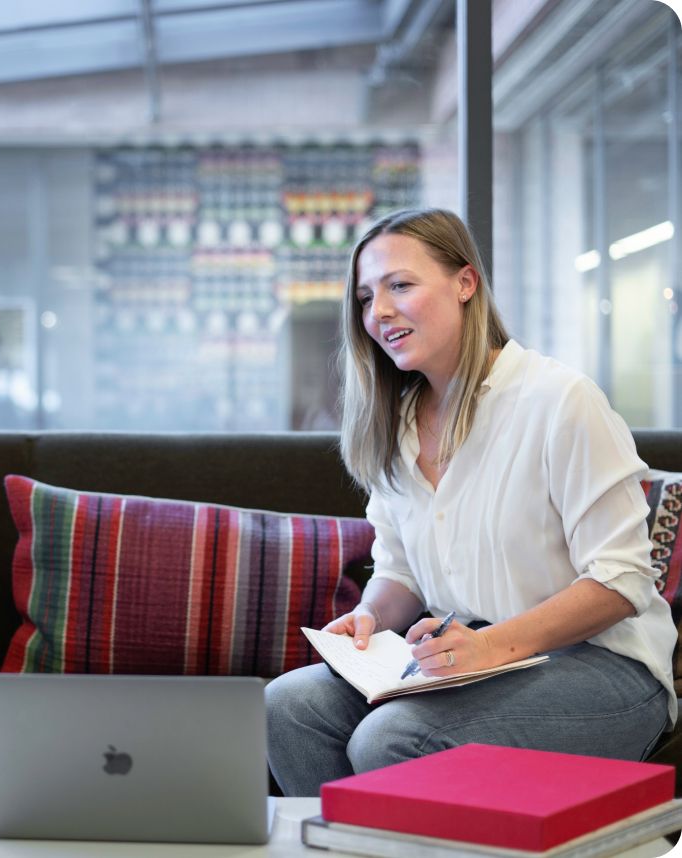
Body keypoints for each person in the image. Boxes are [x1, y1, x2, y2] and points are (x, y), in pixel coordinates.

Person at [264, 208, 676, 796]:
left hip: (603, 667)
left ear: (465, 284)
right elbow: (400, 569)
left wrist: (486, 647)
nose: (377, 312)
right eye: (364, 297)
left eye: (400, 286)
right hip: (467, 663)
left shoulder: (561, 401)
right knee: (287, 706)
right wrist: (372, 617)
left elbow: (622, 580)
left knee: (390, 739)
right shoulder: (398, 422)